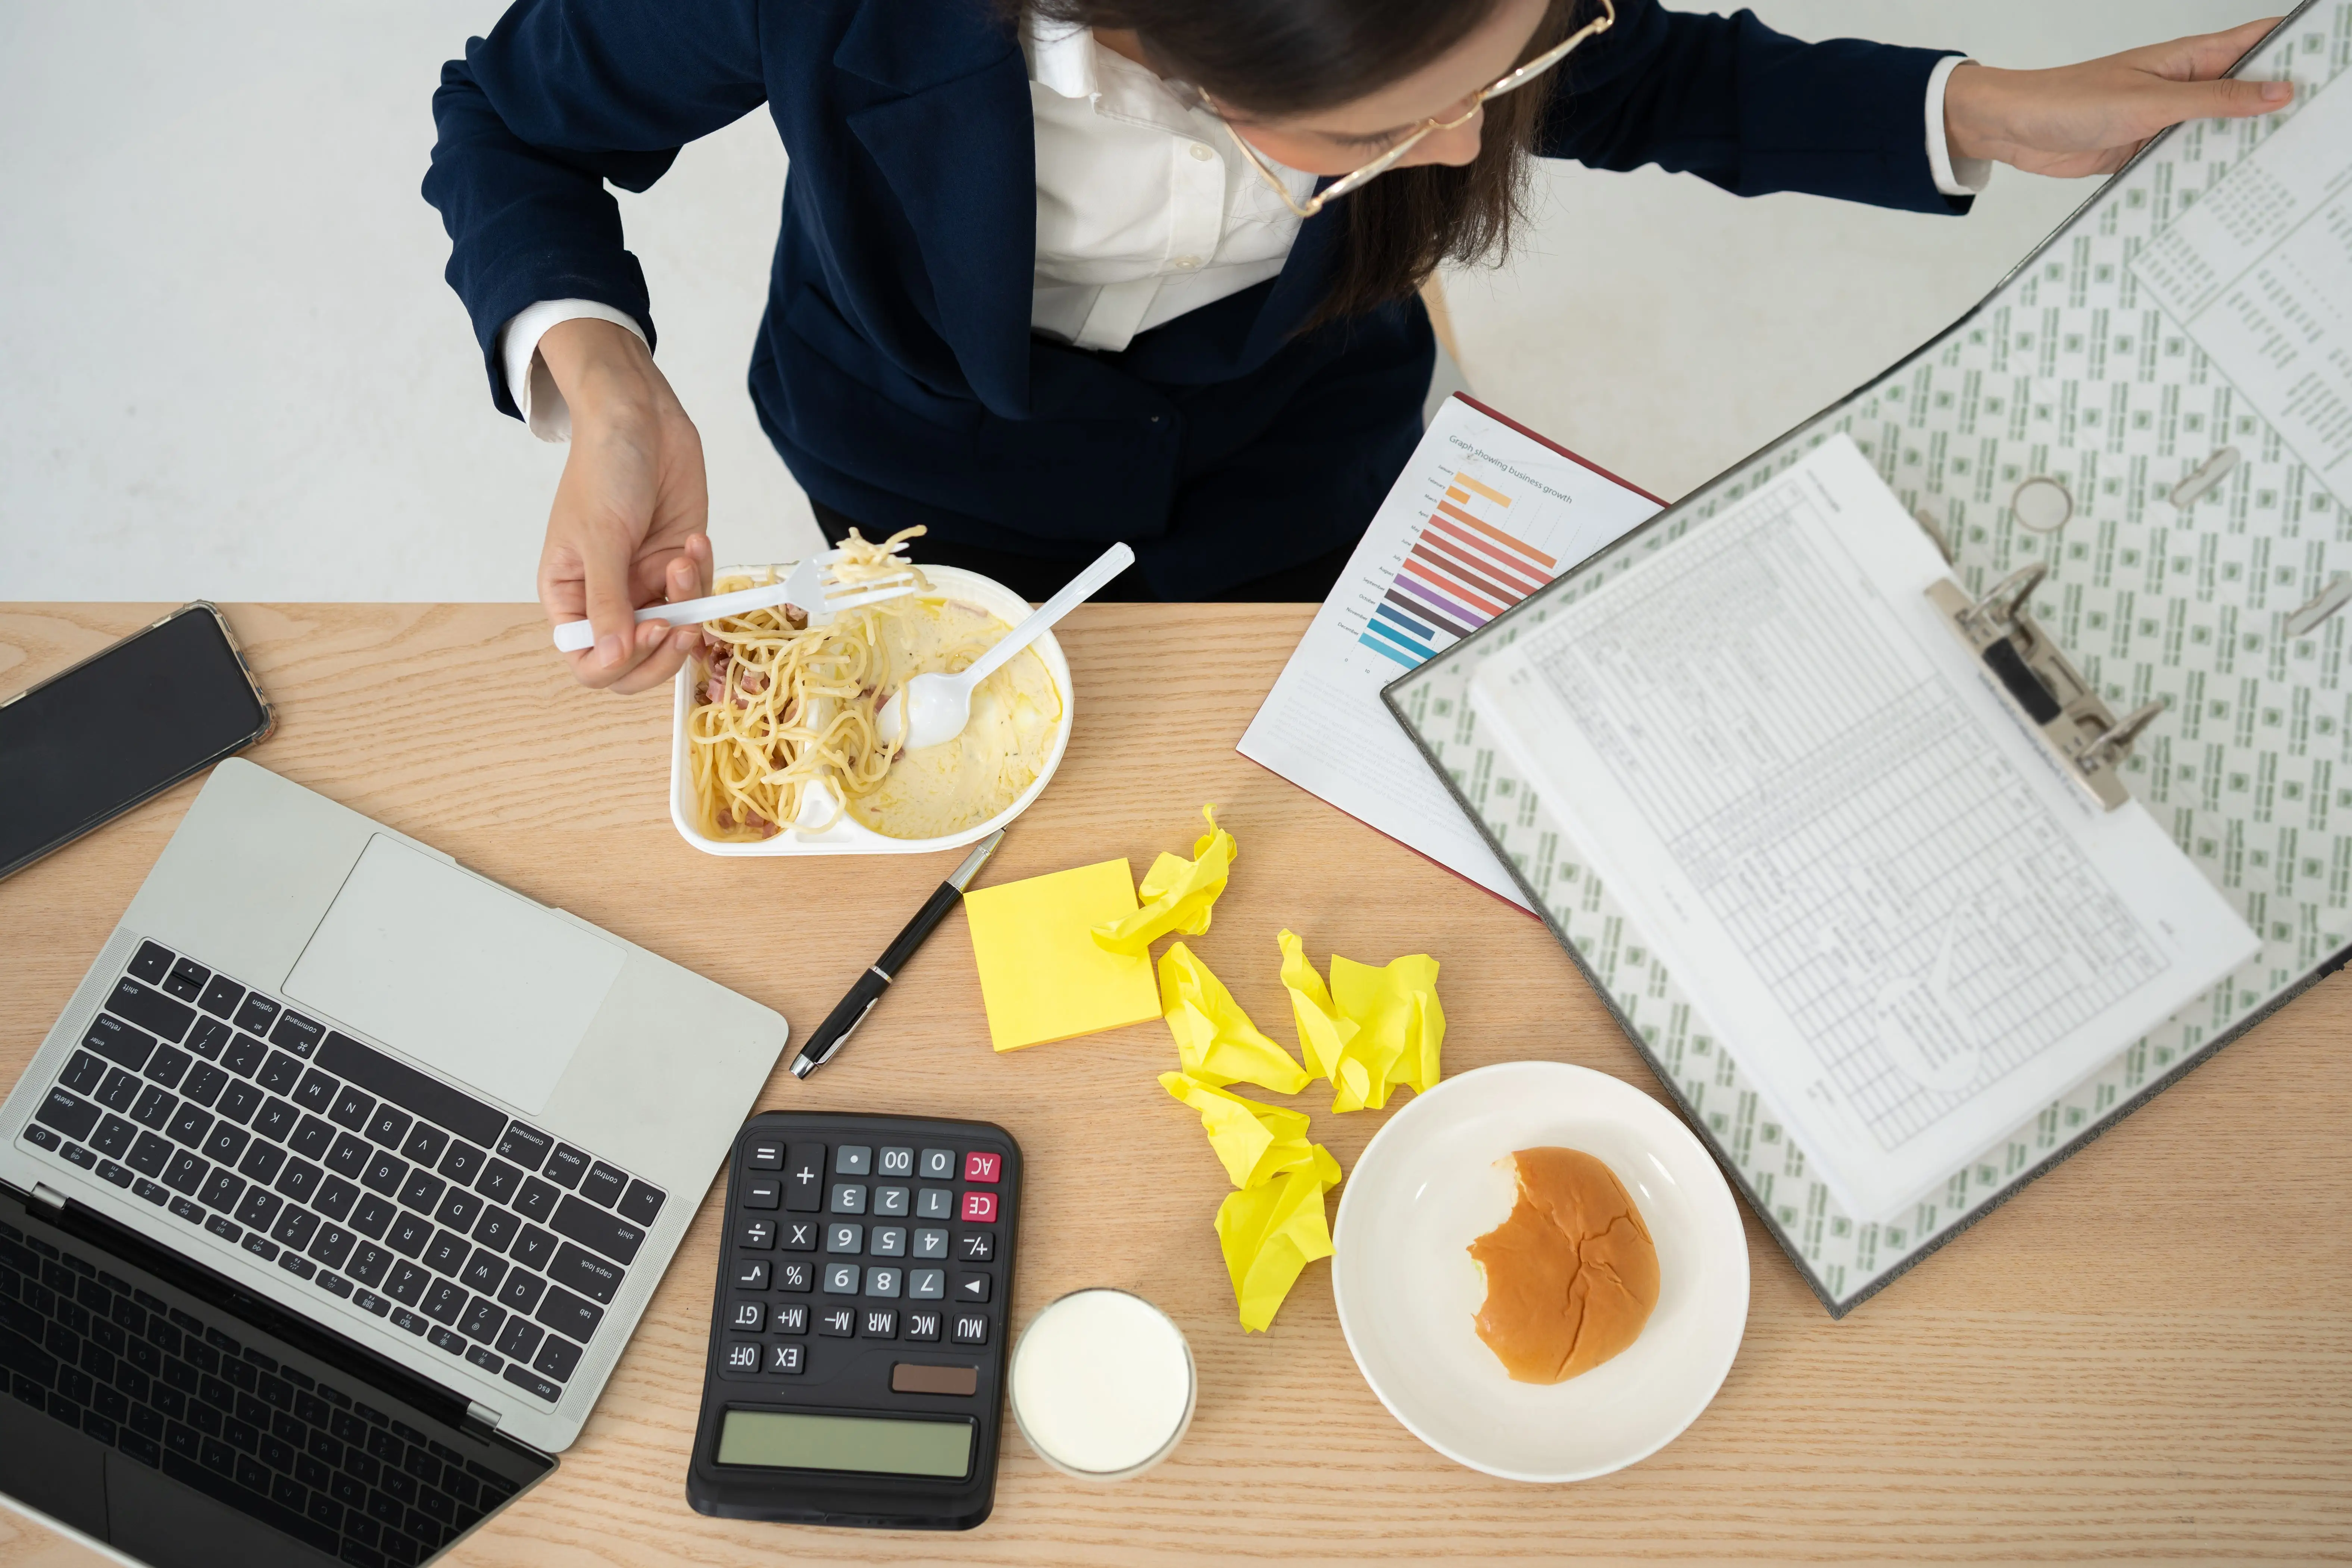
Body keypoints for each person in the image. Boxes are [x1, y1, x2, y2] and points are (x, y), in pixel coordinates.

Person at [423, 0, 2290, 694]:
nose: (1476, 150)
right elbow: (507, 122)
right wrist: (607, 382)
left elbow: (1640, 70)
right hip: (923, 479)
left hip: (1314, 470)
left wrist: (1983, 108)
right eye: (1380, 139)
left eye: (1493, 80)